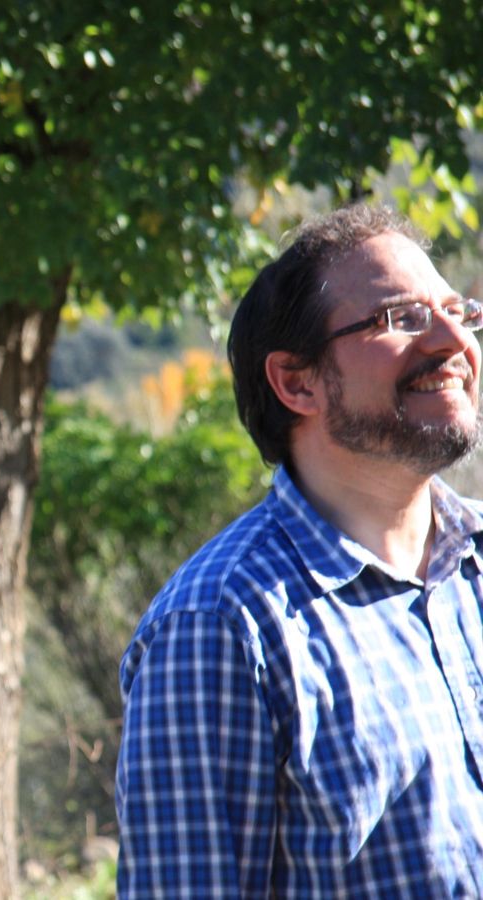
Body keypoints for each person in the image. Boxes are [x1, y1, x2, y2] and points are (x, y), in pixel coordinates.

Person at [115, 205, 483, 896]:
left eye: (459, 310)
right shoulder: (219, 626)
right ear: (297, 382)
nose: (450, 339)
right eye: (402, 317)